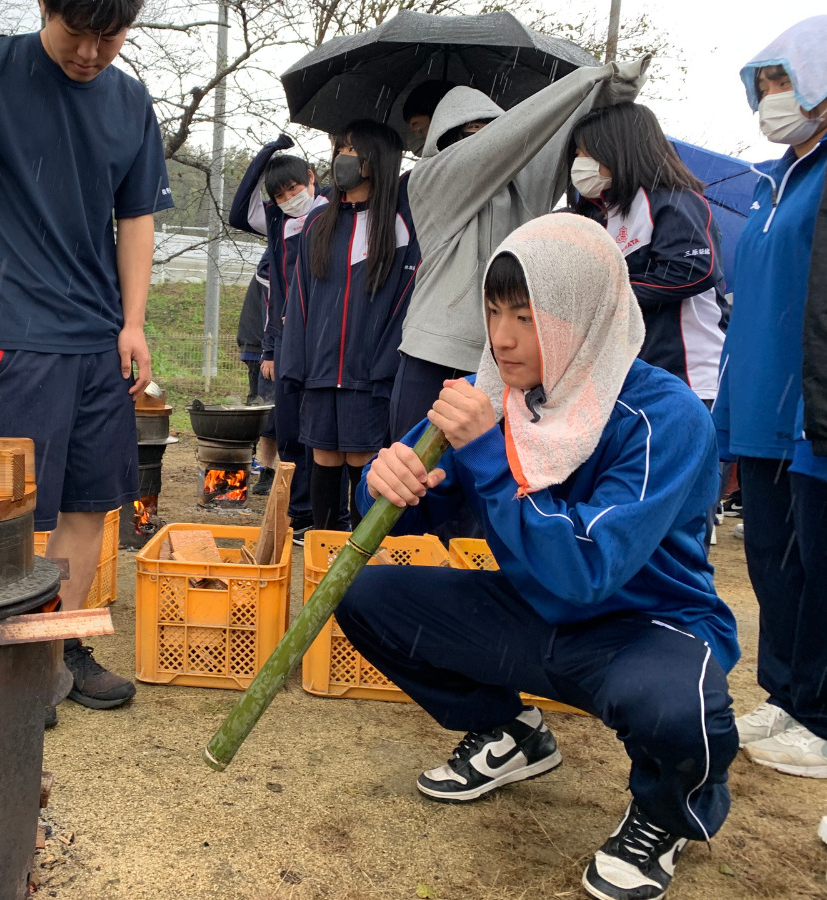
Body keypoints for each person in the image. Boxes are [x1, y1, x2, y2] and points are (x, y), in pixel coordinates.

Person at [337, 214, 738, 900]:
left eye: (526, 315)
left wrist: (488, 456)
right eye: (493, 311)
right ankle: (510, 733)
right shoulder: (492, 394)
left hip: (643, 627)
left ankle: (668, 812)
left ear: (585, 314)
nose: (503, 337)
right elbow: (402, 503)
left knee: (676, 705)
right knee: (368, 597)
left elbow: (585, 571)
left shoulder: (663, 416)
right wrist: (386, 482)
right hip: (531, 609)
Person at [0, 0, 172, 715]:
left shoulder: (129, 100)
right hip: (16, 334)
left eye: (110, 36)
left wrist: (133, 322)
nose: (91, 51)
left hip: (99, 342)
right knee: (17, 512)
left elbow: (138, 217)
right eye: (76, 32)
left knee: (90, 503)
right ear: (44, 8)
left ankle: (57, 646)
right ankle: (5, 655)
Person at [389, 57, 649, 443]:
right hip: (433, 357)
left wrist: (603, 89)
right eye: (467, 135)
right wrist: (581, 80)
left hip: (510, 360)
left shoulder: (525, 185)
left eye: (487, 130)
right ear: (444, 142)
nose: (482, 142)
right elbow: (503, 144)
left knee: (491, 479)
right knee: (413, 482)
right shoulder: (429, 179)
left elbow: (552, 135)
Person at [712, 16, 827, 776]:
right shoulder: (767, 185)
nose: (771, 99)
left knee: (818, 563)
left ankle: (820, 715)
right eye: (763, 86)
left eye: (783, 81)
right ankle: (784, 694)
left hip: (810, 408)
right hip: (755, 401)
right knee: (769, 564)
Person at [281, 119, 418, 533]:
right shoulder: (319, 223)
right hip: (320, 369)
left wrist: (384, 367)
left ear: (376, 160)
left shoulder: (397, 226)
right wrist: (295, 364)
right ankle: (323, 549)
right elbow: (300, 296)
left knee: (363, 459)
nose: (344, 158)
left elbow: (403, 303)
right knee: (322, 456)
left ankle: (359, 560)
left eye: (353, 150)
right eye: (340, 148)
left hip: (368, 372)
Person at [568, 102, 727, 401]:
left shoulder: (675, 200)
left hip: (690, 377)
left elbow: (693, 270)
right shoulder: (601, 216)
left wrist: (608, 295)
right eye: (576, 155)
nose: (579, 162)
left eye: (585, 153)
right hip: (632, 377)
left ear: (618, 149)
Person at [229, 135, 328, 537]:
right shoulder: (279, 222)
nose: (289, 197)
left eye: (293, 187)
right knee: (287, 429)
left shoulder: (333, 213)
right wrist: (267, 153)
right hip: (285, 339)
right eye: (280, 193)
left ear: (312, 178)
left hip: (321, 337)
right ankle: (297, 512)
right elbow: (238, 213)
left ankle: (322, 516)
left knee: (317, 432)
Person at [235, 253, 277, 495]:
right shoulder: (274, 257)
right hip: (259, 344)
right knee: (264, 410)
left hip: (275, 344)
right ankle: (266, 469)